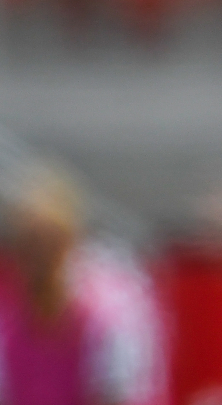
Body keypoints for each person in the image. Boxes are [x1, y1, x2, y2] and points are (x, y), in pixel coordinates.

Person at [0, 168, 166, 405]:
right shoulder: (9, 323)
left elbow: (119, 395)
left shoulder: (106, 318)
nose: (39, 258)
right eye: (27, 244)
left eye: (49, 243)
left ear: (70, 241)